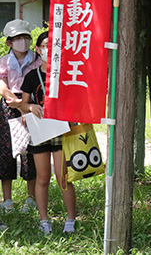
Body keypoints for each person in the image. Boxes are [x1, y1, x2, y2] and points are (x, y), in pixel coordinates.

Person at [19, 31, 76, 235]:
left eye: (53, 45)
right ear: (38, 49)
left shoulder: (67, 73)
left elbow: (75, 101)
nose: (49, 49)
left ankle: (70, 219)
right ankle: (44, 220)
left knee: (63, 178)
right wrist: (31, 108)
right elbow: (23, 104)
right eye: (45, 45)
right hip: (40, 132)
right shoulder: (32, 76)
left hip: (62, 130)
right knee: (42, 178)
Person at [0, 19, 38, 212]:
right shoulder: (5, 61)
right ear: (9, 42)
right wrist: (11, 100)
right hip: (9, 104)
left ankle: (31, 197)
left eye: (26, 37)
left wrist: (24, 105)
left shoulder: (36, 59)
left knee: (31, 150)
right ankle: (7, 199)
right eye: (18, 38)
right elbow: (2, 82)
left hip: (32, 104)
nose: (23, 41)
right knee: (6, 150)